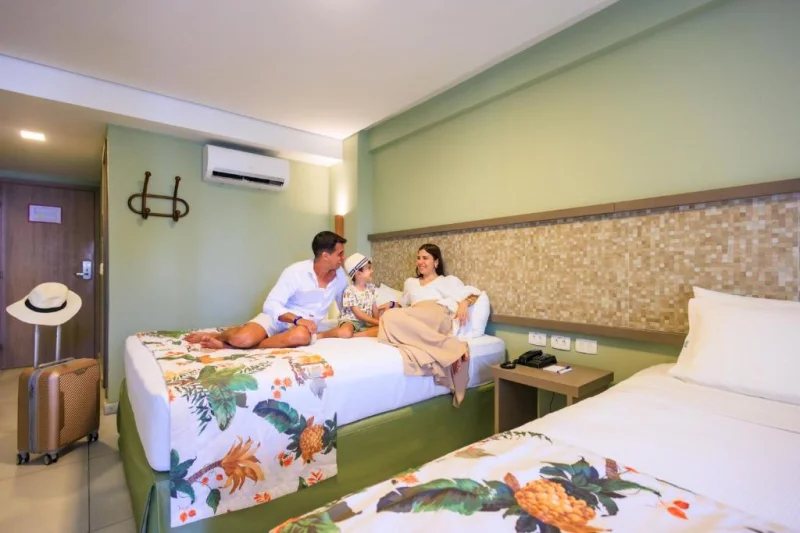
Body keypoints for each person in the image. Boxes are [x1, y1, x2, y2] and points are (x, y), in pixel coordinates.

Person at [185, 231, 353, 349]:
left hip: (303, 330)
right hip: (280, 319)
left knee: (301, 336)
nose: (343, 258)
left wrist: (360, 321)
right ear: (325, 256)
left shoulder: (340, 277)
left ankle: (229, 347)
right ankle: (219, 336)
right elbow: (271, 304)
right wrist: (297, 319)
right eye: (339, 254)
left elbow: (347, 307)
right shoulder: (296, 272)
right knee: (243, 338)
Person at [378, 243, 480, 406]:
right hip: (416, 314)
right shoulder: (410, 282)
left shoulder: (446, 281)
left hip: (437, 313)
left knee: (390, 320)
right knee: (388, 316)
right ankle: (453, 348)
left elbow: (474, 293)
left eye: (425, 258)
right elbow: (403, 305)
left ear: (436, 262)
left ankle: (452, 349)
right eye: (418, 258)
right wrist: (390, 304)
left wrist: (464, 303)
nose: (420, 262)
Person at [338, 253, 391, 338]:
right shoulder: (349, 291)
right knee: (346, 331)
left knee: (382, 330)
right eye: (369, 268)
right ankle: (324, 334)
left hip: (365, 324)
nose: (372, 271)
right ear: (358, 273)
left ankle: (354, 335)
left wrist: (378, 322)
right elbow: (358, 314)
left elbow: (374, 309)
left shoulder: (371, 288)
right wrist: (377, 322)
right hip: (351, 321)